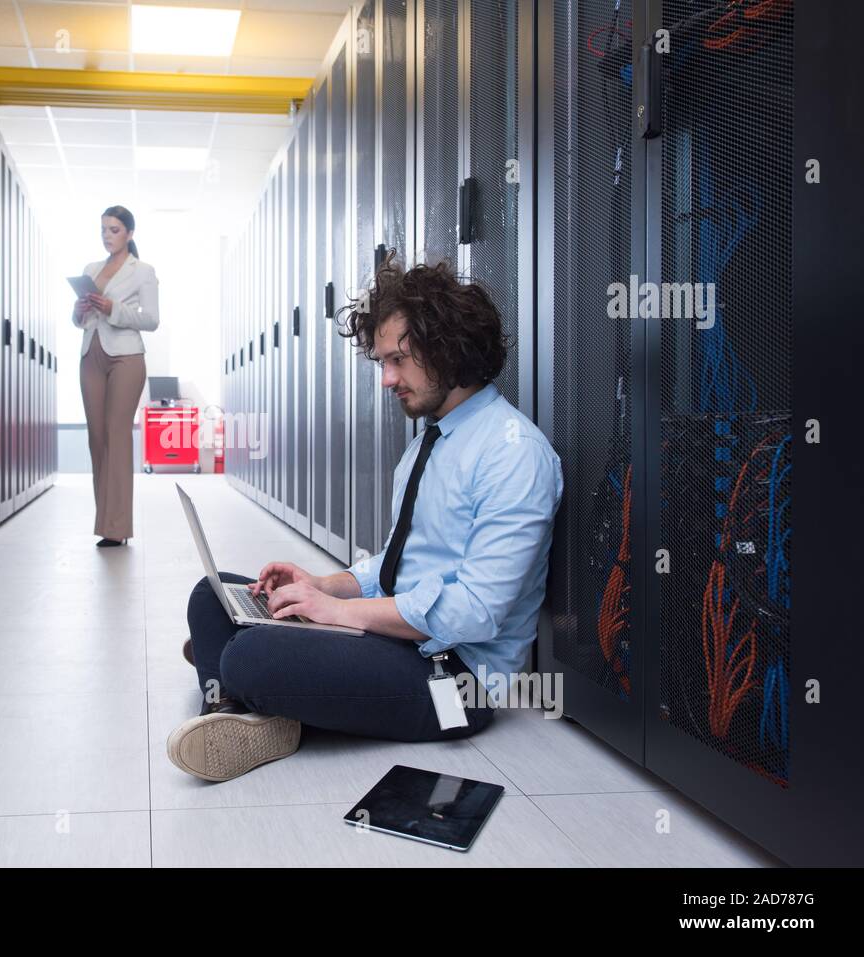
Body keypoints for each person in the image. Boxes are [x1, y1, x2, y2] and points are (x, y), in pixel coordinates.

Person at [166, 259, 563, 782]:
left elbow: (477, 612)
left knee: (248, 653)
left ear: (449, 347)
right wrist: (320, 584)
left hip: (452, 678)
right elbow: (398, 562)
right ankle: (242, 709)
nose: (387, 380)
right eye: (382, 362)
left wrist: (336, 613)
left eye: (398, 359)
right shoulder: (430, 442)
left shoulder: (515, 454)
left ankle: (239, 686)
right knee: (211, 595)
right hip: (396, 638)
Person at [72, 205, 160, 547]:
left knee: (117, 437)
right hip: (91, 353)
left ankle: (116, 528)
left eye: (114, 230)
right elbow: (80, 320)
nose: (108, 236)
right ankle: (105, 520)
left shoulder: (143, 271)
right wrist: (79, 311)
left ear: (130, 234)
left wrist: (114, 309)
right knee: (97, 439)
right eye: (104, 230)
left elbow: (151, 319)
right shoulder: (91, 269)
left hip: (126, 357)